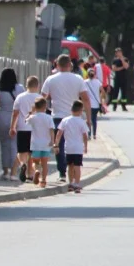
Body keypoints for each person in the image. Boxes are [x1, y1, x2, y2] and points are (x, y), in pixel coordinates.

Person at [42, 54, 91, 183]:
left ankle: (62, 172)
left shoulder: (50, 79)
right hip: (74, 116)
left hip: (57, 116)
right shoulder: (78, 79)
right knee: (73, 143)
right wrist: (89, 118)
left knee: (59, 145)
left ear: (57, 65)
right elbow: (85, 98)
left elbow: (42, 98)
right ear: (70, 65)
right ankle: (75, 170)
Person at [0, 68, 24, 180]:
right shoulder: (20, 88)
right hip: (15, 117)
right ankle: (14, 172)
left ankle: (5, 171)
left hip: (2, 117)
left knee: (4, 145)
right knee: (14, 144)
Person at [9, 75, 42, 183]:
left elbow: (15, 113)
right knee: (32, 153)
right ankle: (30, 174)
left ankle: (22, 165)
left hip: (22, 128)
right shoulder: (39, 98)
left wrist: (12, 127)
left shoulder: (20, 97)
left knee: (21, 152)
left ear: (26, 85)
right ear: (37, 86)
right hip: (35, 129)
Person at [54, 100, 89, 193]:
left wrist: (56, 144)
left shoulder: (65, 120)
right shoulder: (81, 122)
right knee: (77, 166)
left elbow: (59, 133)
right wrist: (85, 146)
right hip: (78, 147)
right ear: (81, 111)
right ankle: (77, 184)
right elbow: (85, 136)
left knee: (70, 166)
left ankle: (71, 183)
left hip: (68, 147)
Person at [26, 97, 55, 188]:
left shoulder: (33, 117)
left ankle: (37, 171)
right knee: (45, 163)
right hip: (46, 143)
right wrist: (52, 141)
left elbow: (26, 121)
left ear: (35, 106)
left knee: (35, 162)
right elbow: (51, 130)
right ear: (45, 106)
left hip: (35, 143)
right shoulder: (49, 118)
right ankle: (43, 180)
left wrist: (31, 112)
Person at [82, 66, 102, 139]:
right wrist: (101, 99)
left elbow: (82, 92)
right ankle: (94, 134)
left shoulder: (85, 82)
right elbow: (102, 92)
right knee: (94, 119)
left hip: (88, 104)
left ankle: (89, 134)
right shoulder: (98, 82)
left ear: (87, 74)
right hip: (96, 105)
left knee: (88, 119)